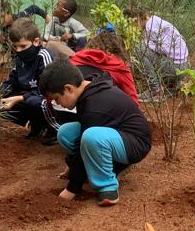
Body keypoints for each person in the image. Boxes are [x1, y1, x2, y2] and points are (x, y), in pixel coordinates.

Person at [39, 60, 151, 206]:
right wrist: (72, 166)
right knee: (65, 132)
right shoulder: (89, 89)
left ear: (68, 88)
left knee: (91, 137)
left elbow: (82, 144)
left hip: (135, 143)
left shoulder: (94, 106)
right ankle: (94, 169)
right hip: (114, 134)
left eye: (56, 98)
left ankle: (107, 186)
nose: (57, 103)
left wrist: (72, 188)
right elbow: (79, 140)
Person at [0, 18, 56, 144]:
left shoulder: (43, 57)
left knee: (35, 102)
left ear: (36, 41)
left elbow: (48, 90)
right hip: (28, 97)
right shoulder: (20, 59)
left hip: (46, 99)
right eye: (15, 46)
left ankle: (52, 128)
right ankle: (35, 125)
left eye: (23, 46)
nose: (18, 50)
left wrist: (18, 98)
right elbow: (12, 81)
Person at [124, 8, 189, 102]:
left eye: (134, 22)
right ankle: (171, 87)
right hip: (182, 67)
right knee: (145, 49)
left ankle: (155, 90)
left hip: (177, 68)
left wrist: (147, 45)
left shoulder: (151, 27)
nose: (134, 25)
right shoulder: (155, 21)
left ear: (140, 18)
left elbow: (165, 49)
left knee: (139, 50)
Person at [72, 30, 139, 104]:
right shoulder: (119, 66)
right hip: (103, 107)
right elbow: (133, 101)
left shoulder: (76, 59)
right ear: (119, 50)